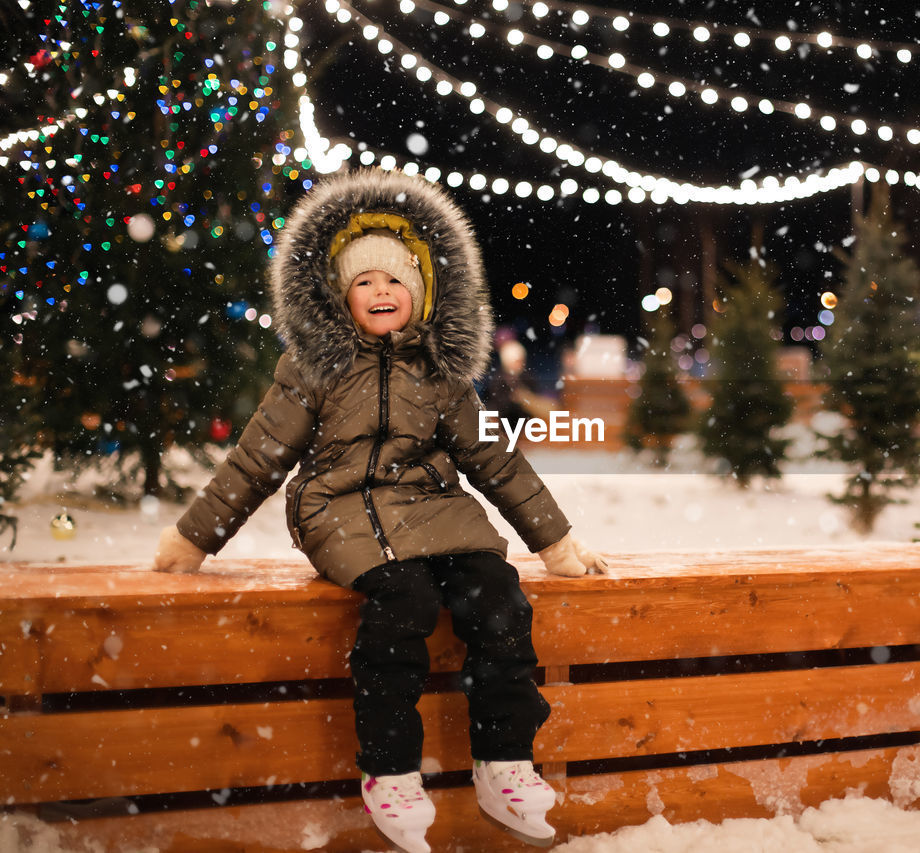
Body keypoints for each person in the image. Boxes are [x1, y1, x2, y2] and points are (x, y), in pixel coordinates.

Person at [152, 168, 606, 853]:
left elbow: (495, 459)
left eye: (396, 280)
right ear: (341, 295)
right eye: (365, 281)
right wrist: (193, 540)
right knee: (405, 600)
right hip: (336, 504)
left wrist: (556, 542)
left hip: (431, 503)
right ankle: (391, 770)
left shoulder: (439, 372)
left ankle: (504, 762)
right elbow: (257, 458)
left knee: (499, 597)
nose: (382, 291)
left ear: (420, 293)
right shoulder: (315, 366)